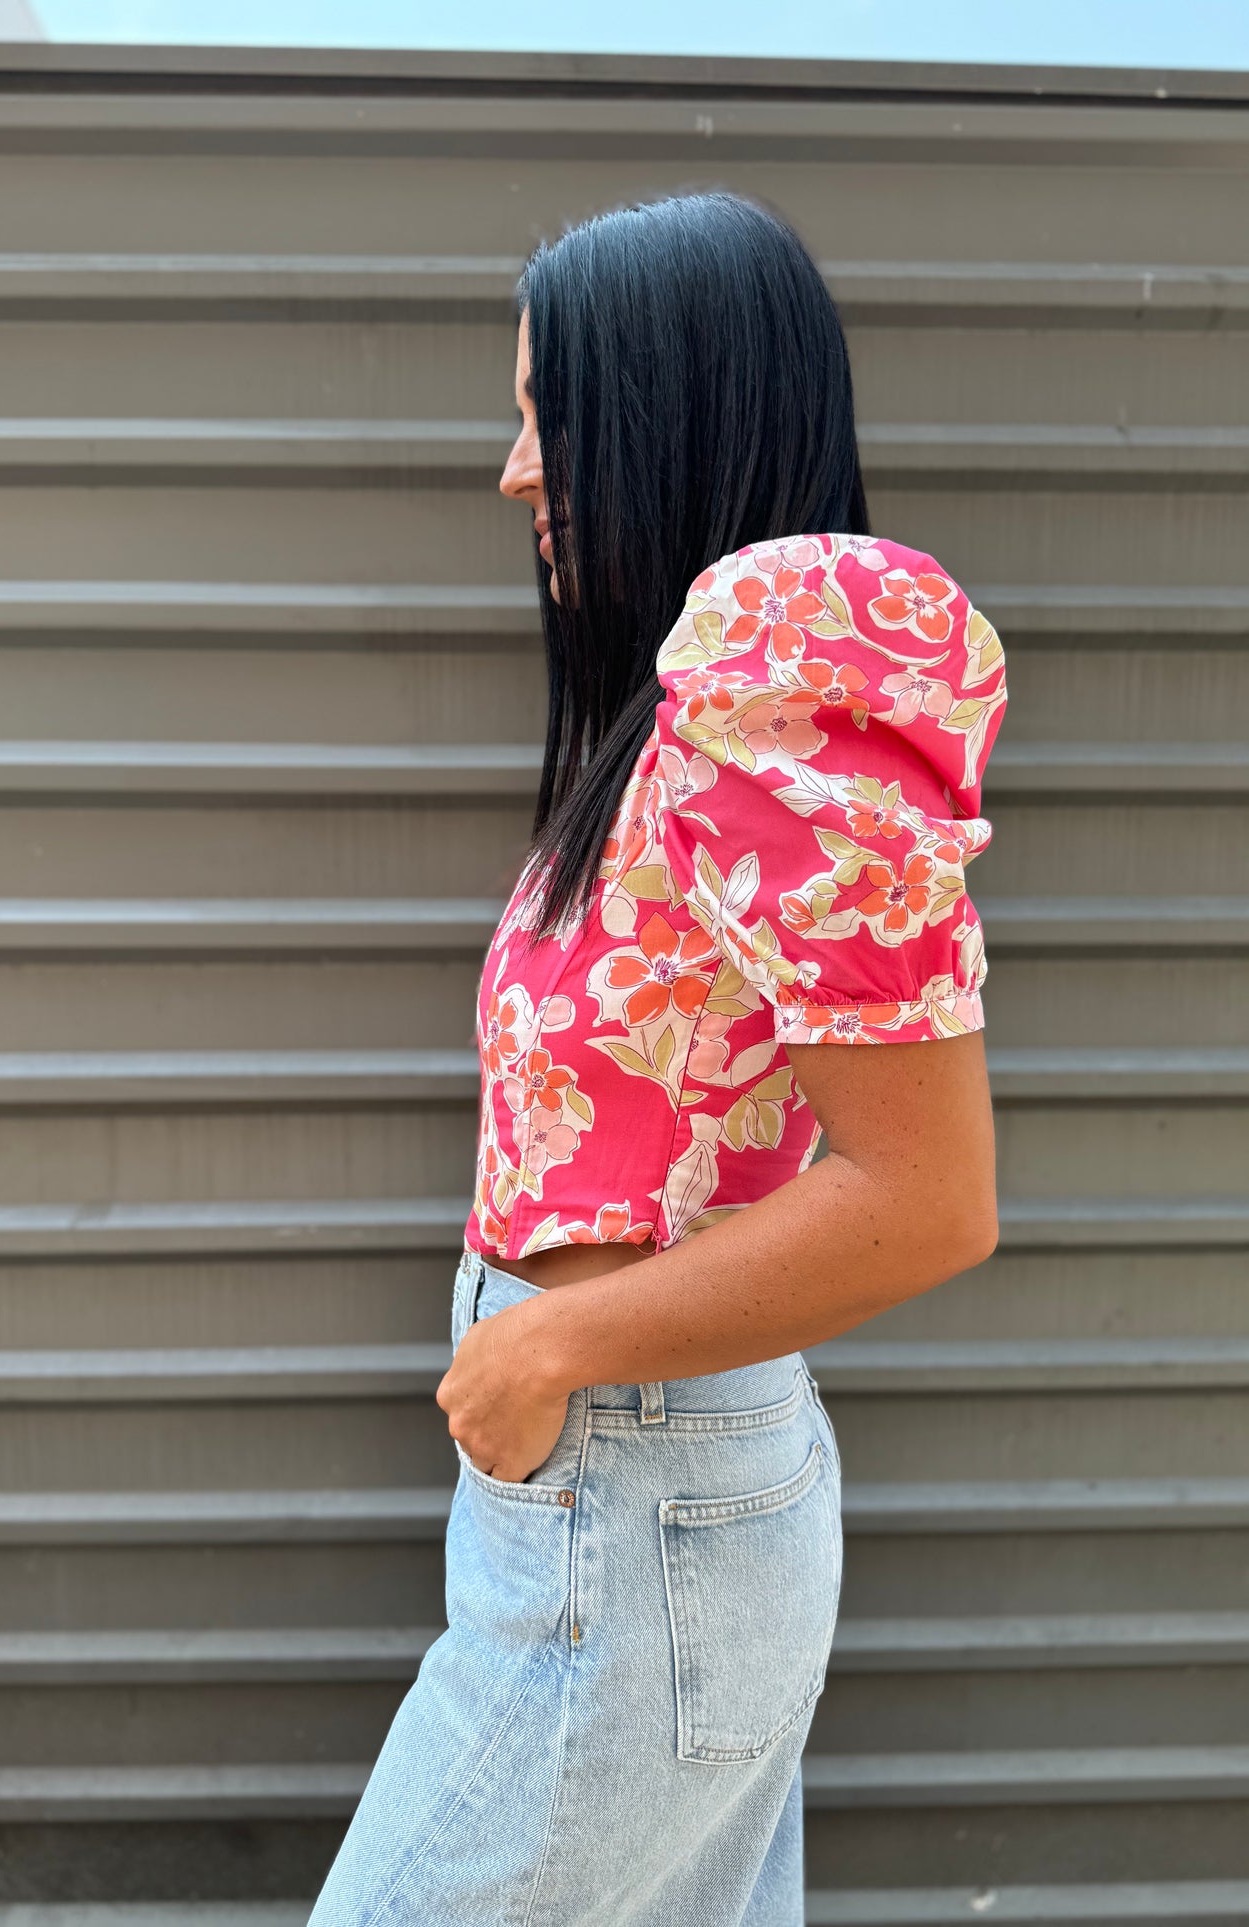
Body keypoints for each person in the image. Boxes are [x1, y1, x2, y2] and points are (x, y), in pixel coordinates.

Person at [309, 190, 1005, 1927]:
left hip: (637, 1501)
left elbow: (928, 1201)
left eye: (546, 408)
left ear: (661, 404)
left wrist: (549, 1341)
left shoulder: (765, 702)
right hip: (642, 1496)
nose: (516, 469)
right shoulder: (688, 719)